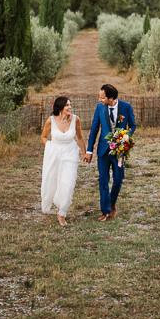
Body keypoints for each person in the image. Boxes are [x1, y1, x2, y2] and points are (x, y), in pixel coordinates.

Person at [84, 84, 136, 222]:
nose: (100, 100)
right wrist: (89, 150)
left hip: (120, 151)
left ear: (111, 98)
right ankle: (105, 210)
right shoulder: (99, 108)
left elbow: (132, 125)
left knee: (118, 180)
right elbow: (94, 129)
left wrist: (126, 136)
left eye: (102, 98)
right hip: (103, 150)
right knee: (103, 180)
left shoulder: (126, 107)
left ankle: (112, 202)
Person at [40, 96, 86, 226]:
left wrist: (85, 153)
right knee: (54, 182)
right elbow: (43, 137)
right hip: (54, 154)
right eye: (67, 105)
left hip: (70, 154)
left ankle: (62, 213)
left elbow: (80, 138)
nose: (69, 108)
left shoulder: (76, 119)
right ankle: (56, 203)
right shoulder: (50, 121)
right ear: (60, 107)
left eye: (70, 105)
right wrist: (49, 147)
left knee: (68, 184)